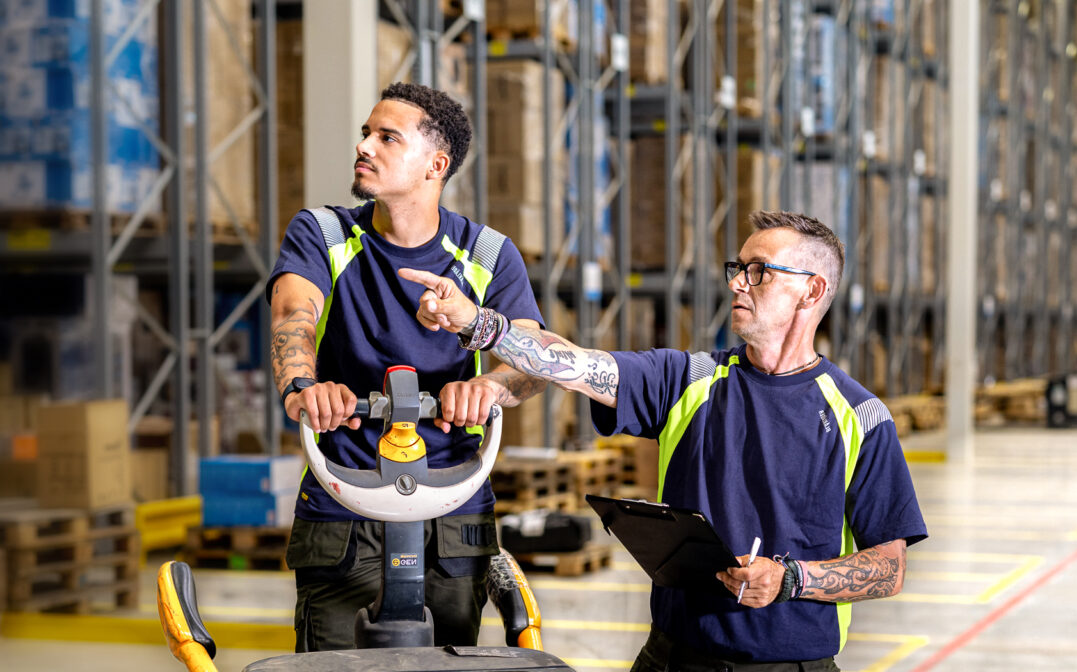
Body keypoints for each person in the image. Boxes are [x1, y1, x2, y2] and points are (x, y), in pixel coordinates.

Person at [399, 212, 928, 671]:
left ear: (812, 290)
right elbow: (573, 364)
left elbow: (890, 566)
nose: (738, 284)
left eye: (760, 272)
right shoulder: (686, 379)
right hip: (672, 657)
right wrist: (478, 323)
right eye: (737, 269)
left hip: (788, 666)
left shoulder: (860, 417)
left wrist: (792, 580)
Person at [265, 82, 547, 652]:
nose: (365, 146)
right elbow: (295, 313)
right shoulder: (324, 233)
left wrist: (489, 387)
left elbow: (535, 358)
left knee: (445, 661)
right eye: (366, 133)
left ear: (434, 165)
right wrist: (304, 386)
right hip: (344, 496)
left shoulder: (488, 254)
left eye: (387, 137)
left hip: (453, 503)